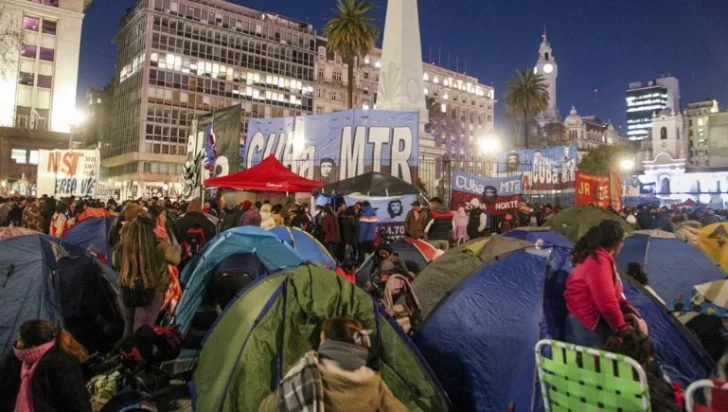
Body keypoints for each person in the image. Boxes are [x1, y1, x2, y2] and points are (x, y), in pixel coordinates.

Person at [258, 317, 407, 412]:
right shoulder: (374, 382)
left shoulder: (309, 373)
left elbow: (268, 407)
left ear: (328, 342)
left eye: (322, 339)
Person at [564, 220, 646, 348]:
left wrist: (624, 305)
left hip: (585, 319)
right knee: (592, 365)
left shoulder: (598, 257)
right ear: (618, 243)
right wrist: (621, 328)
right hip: (587, 324)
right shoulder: (598, 262)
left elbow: (611, 292)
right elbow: (606, 301)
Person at [0, 319, 92, 411]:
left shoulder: (61, 364)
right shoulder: (18, 359)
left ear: (32, 346)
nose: (16, 343)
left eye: (19, 340)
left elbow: (78, 403)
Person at [113, 213, 180, 337]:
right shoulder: (159, 247)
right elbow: (176, 259)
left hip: (127, 288)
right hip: (152, 290)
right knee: (144, 326)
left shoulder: (122, 247)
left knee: (128, 326)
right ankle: (140, 353)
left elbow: (114, 262)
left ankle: (127, 353)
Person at [604, 329, 682, 412]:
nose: (651, 360)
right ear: (640, 364)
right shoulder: (651, 390)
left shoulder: (596, 377)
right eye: (649, 359)